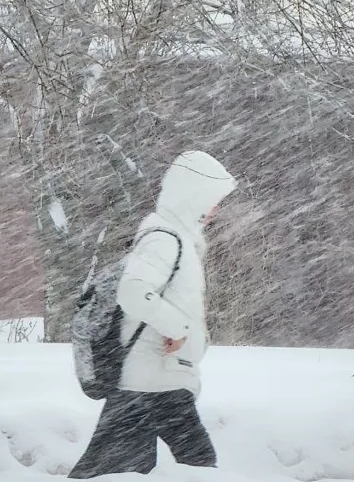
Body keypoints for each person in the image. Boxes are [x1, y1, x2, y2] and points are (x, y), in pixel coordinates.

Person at [68, 150, 238, 479]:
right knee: (198, 465)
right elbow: (133, 292)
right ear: (193, 196)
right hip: (151, 381)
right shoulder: (164, 240)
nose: (216, 209)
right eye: (213, 200)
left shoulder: (179, 240)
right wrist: (178, 328)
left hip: (155, 381)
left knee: (122, 470)